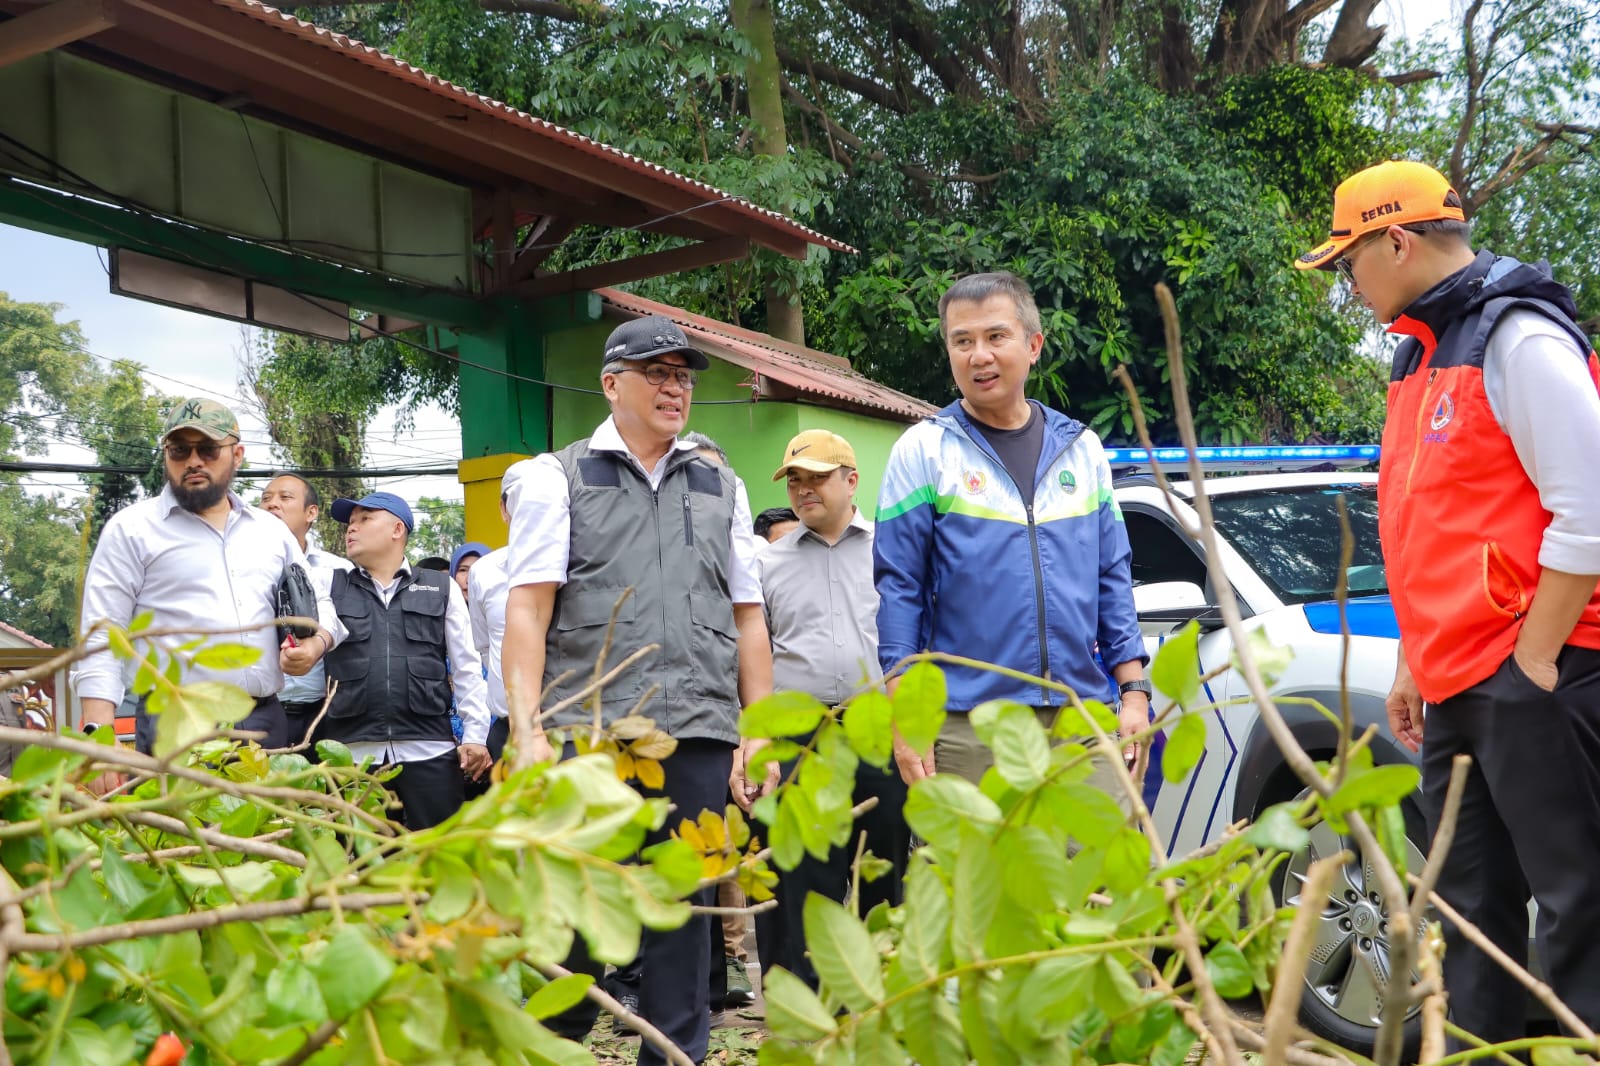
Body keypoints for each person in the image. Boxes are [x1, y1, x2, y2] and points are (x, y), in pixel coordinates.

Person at [1297, 159, 1600, 1045]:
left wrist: (1535, 659)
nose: (1348, 283)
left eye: (1349, 261)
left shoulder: (1520, 339)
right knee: (1469, 914)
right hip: (1458, 680)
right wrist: (1411, 662)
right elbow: (1424, 523)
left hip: (1536, 675)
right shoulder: (1418, 353)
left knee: (1579, 907)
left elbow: (1588, 507)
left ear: (1395, 240)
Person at [501, 314, 773, 1065]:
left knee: (682, 915)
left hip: (698, 728)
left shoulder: (722, 483)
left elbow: (748, 617)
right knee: (582, 915)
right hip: (592, 734)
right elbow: (527, 609)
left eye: (683, 376)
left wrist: (759, 727)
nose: (673, 388)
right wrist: (526, 730)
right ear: (611, 383)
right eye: (657, 372)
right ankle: (542, 1047)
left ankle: (675, 1057)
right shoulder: (554, 477)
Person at [873, 272, 1151, 791]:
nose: (978, 355)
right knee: (973, 874)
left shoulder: (1083, 449)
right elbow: (899, 590)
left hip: (1081, 718)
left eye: (995, 336)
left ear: (1033, 345)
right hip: (966, 723)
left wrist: (1133, 692)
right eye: (962, 341)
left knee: (1094, 870)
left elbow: (1112, 579)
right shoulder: (925, 450)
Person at [75, 398, 337, 759]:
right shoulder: (132, 530)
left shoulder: (270, 531)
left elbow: (322, 602)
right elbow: (101, 634)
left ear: (237, 454)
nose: (193, 461)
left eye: (209, 449)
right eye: (180, 449)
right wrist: (99, 738)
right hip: (177, 725)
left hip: (264, 721)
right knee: (178, 818)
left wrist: (316, 644)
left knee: (270, 817)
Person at [756, 429, 907, 991]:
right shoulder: (769, 563)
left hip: (879, 728)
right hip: (801, 736)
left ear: (851, 480)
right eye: (794, 480)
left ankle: (881, 1000)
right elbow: (757, 653)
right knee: (807, 878)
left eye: (816, 477)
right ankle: (817, 1015)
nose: (803, 490)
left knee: (884, 867)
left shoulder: (892, 552)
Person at [317, 492, 491, 829]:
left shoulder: (441, 587)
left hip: (429, 748)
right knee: (365, 866)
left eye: (364, 519)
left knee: (441, 855)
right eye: (350, 523)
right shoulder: (331, 585)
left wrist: (475, 735)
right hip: (352, 754)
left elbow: (466, 666)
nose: (351, 529)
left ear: (398, 529)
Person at [260, 473, 352, 747]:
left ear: (311, 512)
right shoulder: (239, 569)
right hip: (258, 712)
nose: (272, 504)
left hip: (325, 714)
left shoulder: (339, 570)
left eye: (285, 497)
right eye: (265, 499)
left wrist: (318, 644)